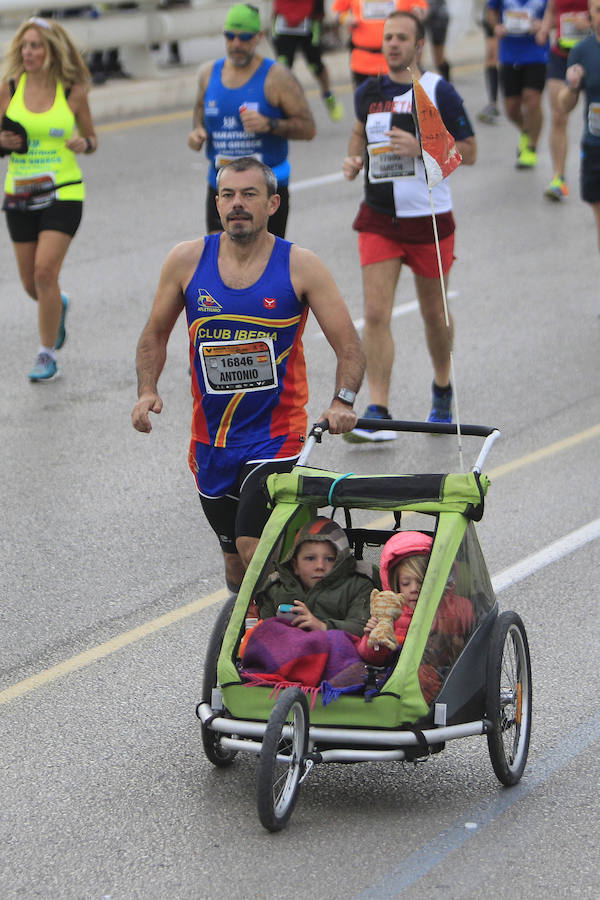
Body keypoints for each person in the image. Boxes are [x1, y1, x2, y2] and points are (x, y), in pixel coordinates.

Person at [131, 157, 365, 595]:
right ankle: (267, 638)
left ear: (273, 203)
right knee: (236, 570)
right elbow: (154, 334)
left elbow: (348, 343)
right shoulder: (186, 261)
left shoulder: (300, 266)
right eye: (227, 195)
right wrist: (147, 390)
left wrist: (343, 401)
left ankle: (289, 644)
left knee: (253, 545)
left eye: (249, 195)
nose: (237, 204)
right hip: (211, 442)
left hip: (278, 437)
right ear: (217, 203)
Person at [341, 11, 476, 439]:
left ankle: (442, 386)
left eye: (402, 38)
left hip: (428, 218)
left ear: (419, 46)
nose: (393, 44)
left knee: (434, 314)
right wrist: (354, 159)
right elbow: (359, 132)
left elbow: (468, 151)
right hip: (379, 217)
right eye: (388, 38)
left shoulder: (436, 90)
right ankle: (379, 409)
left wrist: (421, 148)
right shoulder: (370, 91)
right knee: (375, 313)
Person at [0, 16, 97, 382]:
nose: (28, 52)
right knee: (31, 284)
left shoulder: (72, 90)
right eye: (24, 45)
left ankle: (46, 354)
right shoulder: (9, 88)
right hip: (20, 194)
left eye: (36, 45)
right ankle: (60, 304)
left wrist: (81, 143)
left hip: (64, 191)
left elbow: (91, 139)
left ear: (51, 51)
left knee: (44, 273)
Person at [187, 2, 316, 239]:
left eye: (245, 37)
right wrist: (197, 133)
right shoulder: (208, 74)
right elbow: (199, 114)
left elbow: (308, 129)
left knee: (263, 267)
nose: (236, 44)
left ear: (259, 37)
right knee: (220, 261)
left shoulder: (277, 77)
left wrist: (270, 124)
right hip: (221, 187)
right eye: (230, 36)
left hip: (264, 190)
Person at [357, 531, 474, 702]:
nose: (414, 588)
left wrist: (441, 620)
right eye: (406, 583)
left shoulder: (450, 605)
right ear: (396, 585)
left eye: (421, 581)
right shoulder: (390, 615)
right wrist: (372, 641)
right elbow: (372, 659)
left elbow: (467, 615)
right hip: (396, 676)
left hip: (442, 673)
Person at [255, 516, 374, 635]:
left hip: (340, 651)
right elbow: (264, 633)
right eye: (310, 558)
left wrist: (322, 626)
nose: (320, 566)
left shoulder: (357, 585)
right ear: (295, 565)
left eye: (329, 559)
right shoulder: (276, 588)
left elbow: (363, 628)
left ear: (341, 562)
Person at [486, 0, 549, 169]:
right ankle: (526, 131)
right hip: (509, 55)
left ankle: (531, 148)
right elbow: (490, 10)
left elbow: (554, 13)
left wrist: (543, 26)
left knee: (532, 101)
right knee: (511, 108)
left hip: (536, 53)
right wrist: (496, 26)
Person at [558, 0, 600, 249]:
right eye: (598, 10)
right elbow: (565, 104)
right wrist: (573, 86)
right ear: (590, 15)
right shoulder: (582, 51)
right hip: (595, 145)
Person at [538, 0, 591, 199]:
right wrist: (544, 29)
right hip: (561, 56)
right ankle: (558, 178)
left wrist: (590, 23)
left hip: (592, 54)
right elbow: (551, 11)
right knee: (559, 116)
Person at [271, 0, 345, 121]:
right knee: (283, 68)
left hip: (310, 19)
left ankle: (328, 97)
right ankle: (280, 107)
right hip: (284, 19)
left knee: (316, 66)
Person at [332, 0, 429, 87]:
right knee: (365, 104)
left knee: (399, 105)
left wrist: (419, 13)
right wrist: (344, 18)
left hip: (398, 64)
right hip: (362, 63)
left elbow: (422, 9)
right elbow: (336, 12)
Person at [477, 15, 501, 123]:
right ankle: (493, 102)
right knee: (491, 58)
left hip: (511, 12)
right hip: (491, 13)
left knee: (495, 58)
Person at [424, 0, 451, 81]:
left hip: (438, 11)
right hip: (418, 7)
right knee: (415, 53)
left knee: (439, 56)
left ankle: (446, 84)